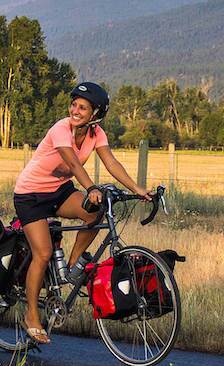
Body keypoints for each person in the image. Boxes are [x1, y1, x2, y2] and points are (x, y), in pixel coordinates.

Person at [13, 81, 150, 344]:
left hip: (59, 191)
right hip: (30, 195)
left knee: (94, 212)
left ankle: (72, 265)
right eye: (74, 105)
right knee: (42, 253)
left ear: (96, 113)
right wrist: (90, 187)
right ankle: (31, 315)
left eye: (83, 107)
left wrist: (137, 188)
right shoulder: (60, 129)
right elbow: (73, 163)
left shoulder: (97, 134)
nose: (76, 110)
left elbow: (110, 162)